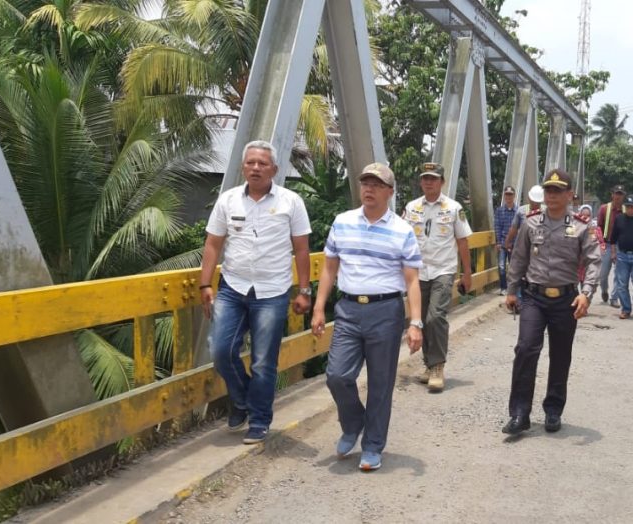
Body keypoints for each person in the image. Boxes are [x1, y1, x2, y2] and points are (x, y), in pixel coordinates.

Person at [311, 162, 424, 472]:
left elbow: (412, 279)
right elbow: (330, 267)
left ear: (389, 192)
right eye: (365, 183)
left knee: (381, 383)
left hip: (386, 311)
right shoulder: (342, 222)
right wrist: (319, 307)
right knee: (337, 375)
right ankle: (353, 422)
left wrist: (415, 323)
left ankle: (373, 445)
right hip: (347, 309)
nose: (369, 189)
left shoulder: (402, 230)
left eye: (377, 184)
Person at [199, 140, 313, 445]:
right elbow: (213, 243)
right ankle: (241, 401)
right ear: (242, 167)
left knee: (264, 361)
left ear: (274, 169)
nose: (255, 168)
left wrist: (304, 290)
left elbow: (302, 250)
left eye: (262, 164)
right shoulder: (228, 200)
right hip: (232, 288)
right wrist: (204, 283)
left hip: (273, 291)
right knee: (220, 351)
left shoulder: (291, 202)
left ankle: (259, 420)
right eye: (250, 163)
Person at [502, 168, 601, 436]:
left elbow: (594, 260)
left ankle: (553, 410)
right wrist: (511, 290)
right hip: (533, 297)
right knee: (525, 349)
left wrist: (587, 293)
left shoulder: (582, 227)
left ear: (570, 195)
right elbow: (519, 258)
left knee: (560, 355)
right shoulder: (531, 223)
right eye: (548, 190)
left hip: (566, 299)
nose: (552, 195)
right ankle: (520, 414)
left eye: (558, 191)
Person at [402, 162, 472, 392]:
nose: (429, 182)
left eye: (433, 178)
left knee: (435, 318)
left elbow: (463, 241)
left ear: (442, 182)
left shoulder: (453, 208)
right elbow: (401, 238)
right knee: (420, 319)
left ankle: (438, 366)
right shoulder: (411, 207)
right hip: (418, 272)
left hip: (443, 270)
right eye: (425, 178)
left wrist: (466, 274)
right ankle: (429, 364)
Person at [596, 185, 626, 308]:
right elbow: (598, 227)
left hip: (621, 245)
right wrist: (601, 243)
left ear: (623, 196)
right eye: (616, 193)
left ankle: (614, 298)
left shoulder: (626, 209)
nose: (618, 196)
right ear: (612, 194)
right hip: (607, 244)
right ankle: (604, 290)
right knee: (603, 274)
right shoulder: (604, 208)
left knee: (619, 274)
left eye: (620, 194)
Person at [503, 185, 543, 252]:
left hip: (527, 247)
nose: (535, 204)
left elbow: (513, 229)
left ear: (529, 197)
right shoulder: (547, 211)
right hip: (537, 247)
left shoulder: (521, 210)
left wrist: (507, 242)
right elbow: (513, 229)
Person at [494, 186, 519, 294]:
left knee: (514, 267)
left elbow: (521, 228)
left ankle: (513, 288)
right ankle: (503, 288)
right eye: (507, 194)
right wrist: (498, 242)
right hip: (503, 243)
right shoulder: (499, 211)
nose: (508, 196)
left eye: (510, 194)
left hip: (515, 244)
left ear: (514, 196)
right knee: (502, 266)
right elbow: (497, 227)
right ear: (504, 196)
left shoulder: (519, 211)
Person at [577, 204, 605, 285]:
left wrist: (601, 251)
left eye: (588, 215)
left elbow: (601, 242)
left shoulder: (595, 229)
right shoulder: (574, 227)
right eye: (583, 215)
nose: (585, 217)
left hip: (590, 261)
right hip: (577, 263)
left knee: (587, 284)